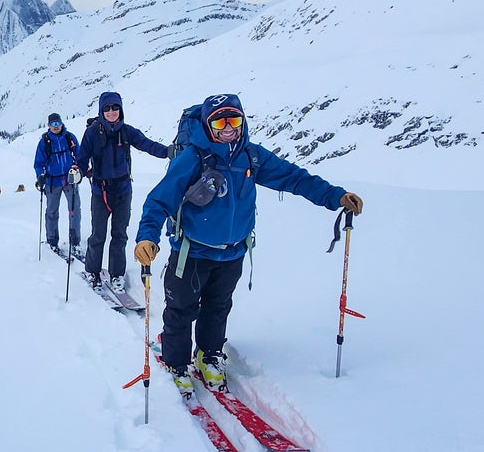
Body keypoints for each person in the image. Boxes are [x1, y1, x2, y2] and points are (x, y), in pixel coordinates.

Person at [133, 94, 363, 392]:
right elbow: (159, 200)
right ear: (207, 124)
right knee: (181, 309)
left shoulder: (251, 156)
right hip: (190, 251)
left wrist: (335, 196)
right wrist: (146, 237)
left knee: (218, 307)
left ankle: (209, 355)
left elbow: (295, 178)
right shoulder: (192, 158)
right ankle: (177, 362)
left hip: (233, 252)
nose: (228, 127)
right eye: (220, 121)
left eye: (234, 120)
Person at [75, 92, 168, 291]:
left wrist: (169, 152)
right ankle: (93, 271)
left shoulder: (127, 132)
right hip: (100, 191)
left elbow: (147, 145)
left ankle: (117, 274)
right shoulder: (92, 133)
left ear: (121, 109)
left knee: (119, 235)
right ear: (101, 110)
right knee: (98, 234)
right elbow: (82, 158)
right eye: (107, 108)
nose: (111, 111)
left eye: (115, 107)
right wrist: (78, 172)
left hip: (123, 190)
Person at [34, 112, 82, 255]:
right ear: (48, 125)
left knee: (75, 211)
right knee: (52, 212)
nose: (56, 126)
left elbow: (79, 155)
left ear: (61, 123)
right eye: (53, 124)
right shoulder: (45, 141)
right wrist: (40, 176)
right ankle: (52, 241)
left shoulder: (70, 137)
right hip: (52, 181)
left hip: (70, 180)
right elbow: (38, 163)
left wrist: (78, 168)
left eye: (57, 123)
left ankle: (75, 241)